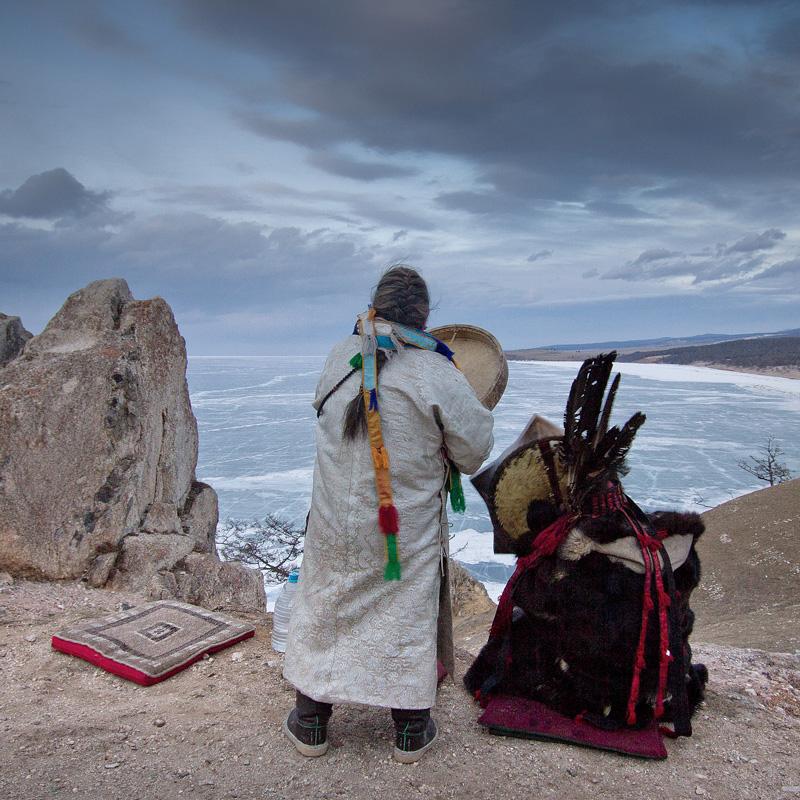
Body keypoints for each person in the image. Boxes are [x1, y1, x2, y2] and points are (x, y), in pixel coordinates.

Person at [282, 265, 494, 762]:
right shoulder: (437, 371)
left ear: (375, 306)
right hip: (401, 530)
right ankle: (409, 730)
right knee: (404, 610)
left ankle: (311, 720)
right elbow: (474, 449)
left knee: (328, 599)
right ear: (423, 316)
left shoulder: (340, 356)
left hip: (335, 520)